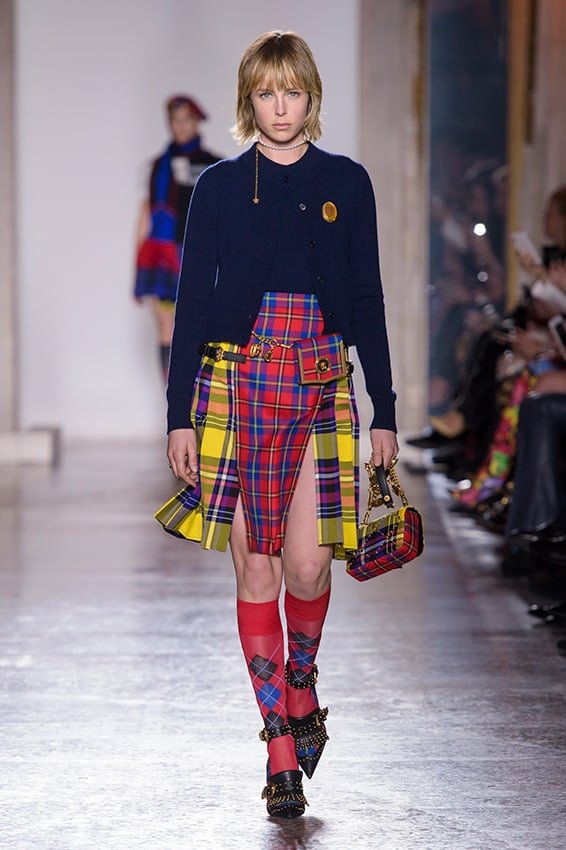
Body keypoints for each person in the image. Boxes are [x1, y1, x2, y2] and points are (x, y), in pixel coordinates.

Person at [156, 31, 398, 819]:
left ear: (311, 97)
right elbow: (192, 303)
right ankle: (279, 749)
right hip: (235, 383)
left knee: (307, 569)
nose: (281, 107)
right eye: (266, 93)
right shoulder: (219, 187)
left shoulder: (346, 182)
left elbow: (366, 298)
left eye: (292, 92)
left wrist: (385, 410)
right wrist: (179, 416)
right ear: (248, 101)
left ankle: (301, 684)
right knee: (255, 571)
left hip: (322, 382)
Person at [134, 94, 220, 380]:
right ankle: (173, 398)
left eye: (186, 119)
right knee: (166, 328)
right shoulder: (155, 167)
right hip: (160, 254)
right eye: (175, 119)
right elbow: (145, 214)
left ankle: (196, 395)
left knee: (199, 327)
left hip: (198, 256)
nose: (180, 126)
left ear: (197, 122)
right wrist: (138, 265)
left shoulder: (215, 166)